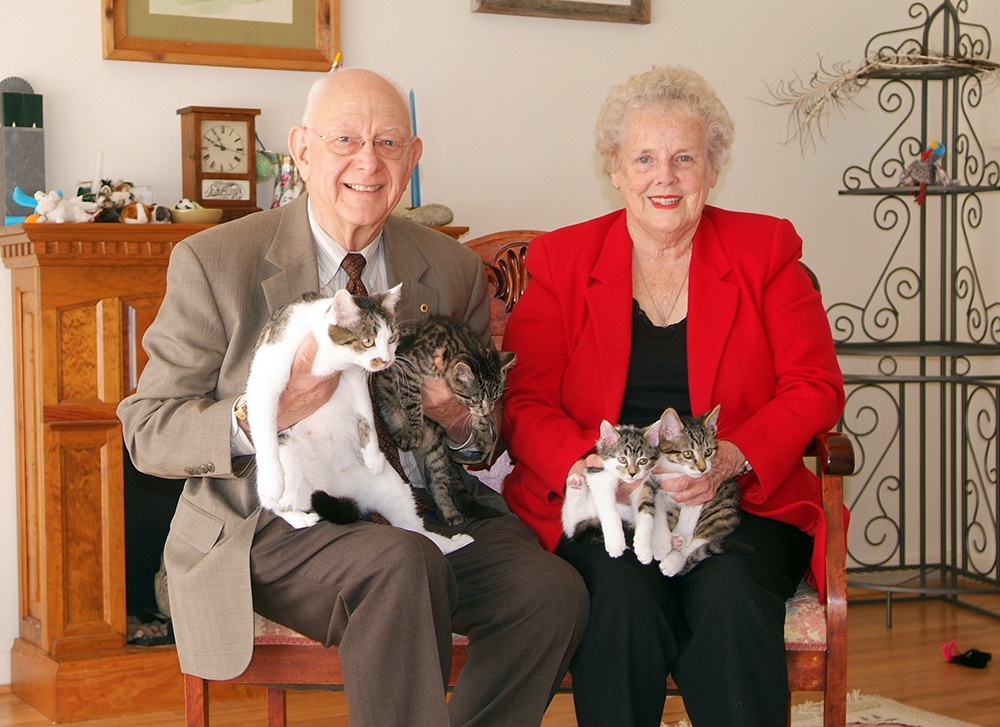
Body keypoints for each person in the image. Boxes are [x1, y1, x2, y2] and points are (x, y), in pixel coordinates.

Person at [117, 68, 588, 727]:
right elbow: (147, 430)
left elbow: (485, 440)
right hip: (271, 520)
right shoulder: (217, 260)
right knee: (401, 565)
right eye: (345, 140)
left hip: (414, 508)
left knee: (550, 592)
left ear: (413, 158)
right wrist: (263, 416)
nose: (368, 163)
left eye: (389, 144)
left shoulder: (448, 268)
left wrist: (456, 416)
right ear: (302, 150)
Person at [500, 65, 845, 727]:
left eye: (685, 157)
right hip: (608, 505)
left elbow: (815, 385)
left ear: (712, 167)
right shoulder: (564, 261)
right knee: (620, 603)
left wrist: (735, 456)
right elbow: (523, 401)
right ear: (616, 168)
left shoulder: (765, 249)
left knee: (733, 597)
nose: (666, 176)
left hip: (738, 499)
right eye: (646, 158)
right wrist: (591, 465)